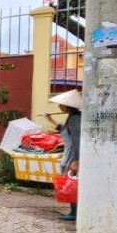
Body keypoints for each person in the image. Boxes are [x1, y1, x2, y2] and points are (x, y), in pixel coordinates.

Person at [44, 89, 81, 221]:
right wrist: (51, 120)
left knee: (72, 184)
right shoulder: (72, 118)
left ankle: (74, 213)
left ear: (68, 105)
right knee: (71, 183)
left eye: (61, 104)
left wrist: (76, 161)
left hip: (72, 156)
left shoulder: (75, 119)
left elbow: (77, 140)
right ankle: (73, 211)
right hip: (69, 155)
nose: (59, 107)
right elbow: (65, 131)